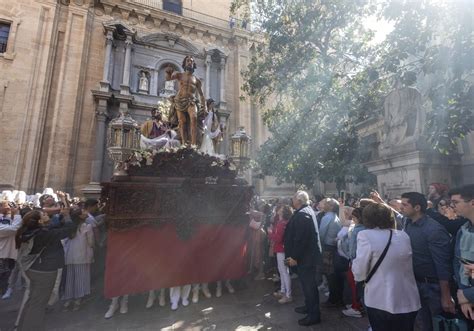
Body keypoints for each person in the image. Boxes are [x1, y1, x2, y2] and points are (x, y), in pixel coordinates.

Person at [352, 203, 421, 331]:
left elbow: (359, 271)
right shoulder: (403, 235)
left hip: (380, 298)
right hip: (408, 297)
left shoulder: (365, 235)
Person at [15, 209, 78, 331]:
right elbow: (69, 229)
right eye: (43, 214)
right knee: (38, 304)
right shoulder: (43, 234)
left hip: (33, 269)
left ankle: (22, 326)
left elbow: (55, 225)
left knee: (33, 301)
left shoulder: (32, 230)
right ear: (39, 221)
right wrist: (67, 216)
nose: (46, 214)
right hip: (44, 272)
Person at [401, 192, 455, 331]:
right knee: (424, 325)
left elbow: (443, 265)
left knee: (439, 324)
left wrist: (446, 295)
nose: (401, 207)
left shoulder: (433, 229)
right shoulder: (407, 223)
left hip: (433, 287)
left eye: (405, 205)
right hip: (416, 284)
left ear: (417, 207)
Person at [284, 190, 322, 326]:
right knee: (307, 286)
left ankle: (314, 315)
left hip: (305, 258)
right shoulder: (307, 210)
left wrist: (294, 257)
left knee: (309, 287)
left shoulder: (302, 214)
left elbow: (301, 239)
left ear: (299, 201)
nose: (292, 201)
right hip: (307, 257)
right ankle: (308, 307)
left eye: (293, 198)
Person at [165, 56, 207, 146]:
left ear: (194, 64)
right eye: (188, 61)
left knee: (194, 117)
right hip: (179, 101)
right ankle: (184, 144)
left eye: (191, 61)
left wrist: (205, 107)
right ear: (184, 63)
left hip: (191, 101)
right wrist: (168, 72)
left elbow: (202, 95)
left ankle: (193, 144)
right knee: (182, 121)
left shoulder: (196, 80)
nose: (190, 62)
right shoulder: (179, 75)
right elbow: (168, 79)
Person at [449, 185, 474, 323]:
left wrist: (468, 295)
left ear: (472, 202)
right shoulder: (463, 230)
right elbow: (458, 263)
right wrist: (464, 294)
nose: (452, 206)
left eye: (456, 202)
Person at [62, 208, 94, 311]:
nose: (86, 212)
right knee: (80, 278)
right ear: (80, 216)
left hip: (70, 255)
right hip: (82, 255)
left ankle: (68, 300)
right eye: (83, 211)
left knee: (70, 278)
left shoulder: (71, 226)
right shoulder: (87, 227)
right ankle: (78, 300)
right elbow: (91, 242)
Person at [319, 198, 342, 306]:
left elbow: (321, 234)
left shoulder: (327, 217)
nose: (325, 204)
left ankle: (333, 300)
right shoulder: (334, 216)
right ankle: (335, 298)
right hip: (333, 247)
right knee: (332, 275)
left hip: (327, 248)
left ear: (332, 207)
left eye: (327, 203)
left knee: (330, 275)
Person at [268, 204, 292, 304]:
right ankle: (283, 291)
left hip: (281, 250)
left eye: (281, 208)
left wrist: (270, 233)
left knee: (284, 272)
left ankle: (288, 295)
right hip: (282, 250)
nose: (279, 209)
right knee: (282, 271)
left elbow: (278, 238)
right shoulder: (283, 222)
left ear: (283, 212)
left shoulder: (281, 223)